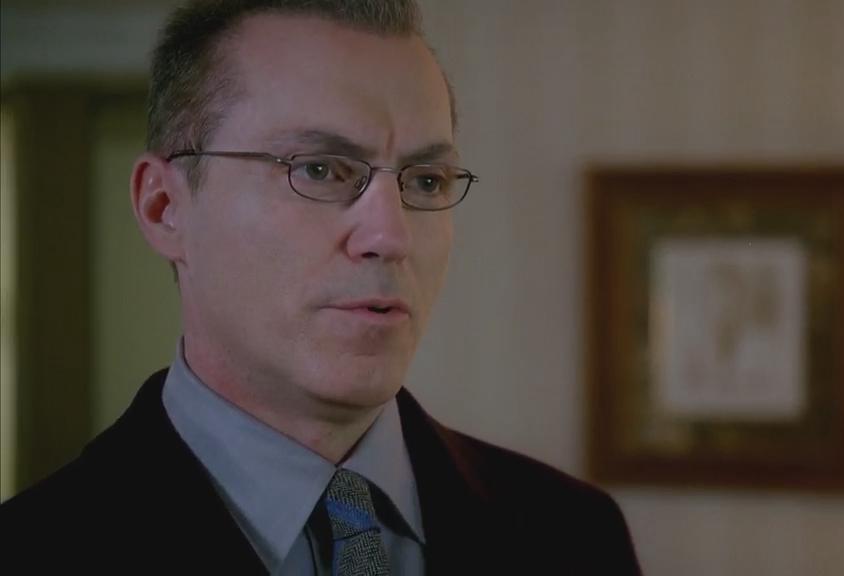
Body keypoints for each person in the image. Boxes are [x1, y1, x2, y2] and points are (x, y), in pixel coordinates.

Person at [0, 1, 642, 574]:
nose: (390, 235)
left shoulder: (577, 536)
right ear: (165, 208)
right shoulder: (31, 550)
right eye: (318, 169)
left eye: (425, 181)